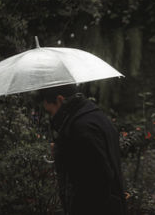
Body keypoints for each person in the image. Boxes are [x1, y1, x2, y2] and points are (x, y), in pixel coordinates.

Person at [38, 84, 127, 215]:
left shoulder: (81, 129)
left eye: (50, 111)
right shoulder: (94, 116)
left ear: (60, 100)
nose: (51, 117)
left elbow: (96, 183)